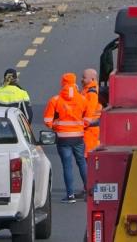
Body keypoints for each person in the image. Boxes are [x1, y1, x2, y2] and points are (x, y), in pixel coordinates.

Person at [44, 73, 89, 202]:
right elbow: (88, 118)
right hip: (79, 137)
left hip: (63, 138)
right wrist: (81, 127)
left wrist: (56, 126)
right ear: (74, 82)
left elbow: (47, 120)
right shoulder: (82, 99)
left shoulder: (55, 100)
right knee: (82, 163)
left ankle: (70, 195)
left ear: (62, 83)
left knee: (67, 166)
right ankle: (90, 192)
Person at [81, 68, 102, 153]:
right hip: (89, 128)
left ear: (92, 79)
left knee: (88, 155)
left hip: (90, 130)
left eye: (84, 77)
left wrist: (81, 124)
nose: (81, 79)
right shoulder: (88, 90)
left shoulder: (92, 93)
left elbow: (89, 112)